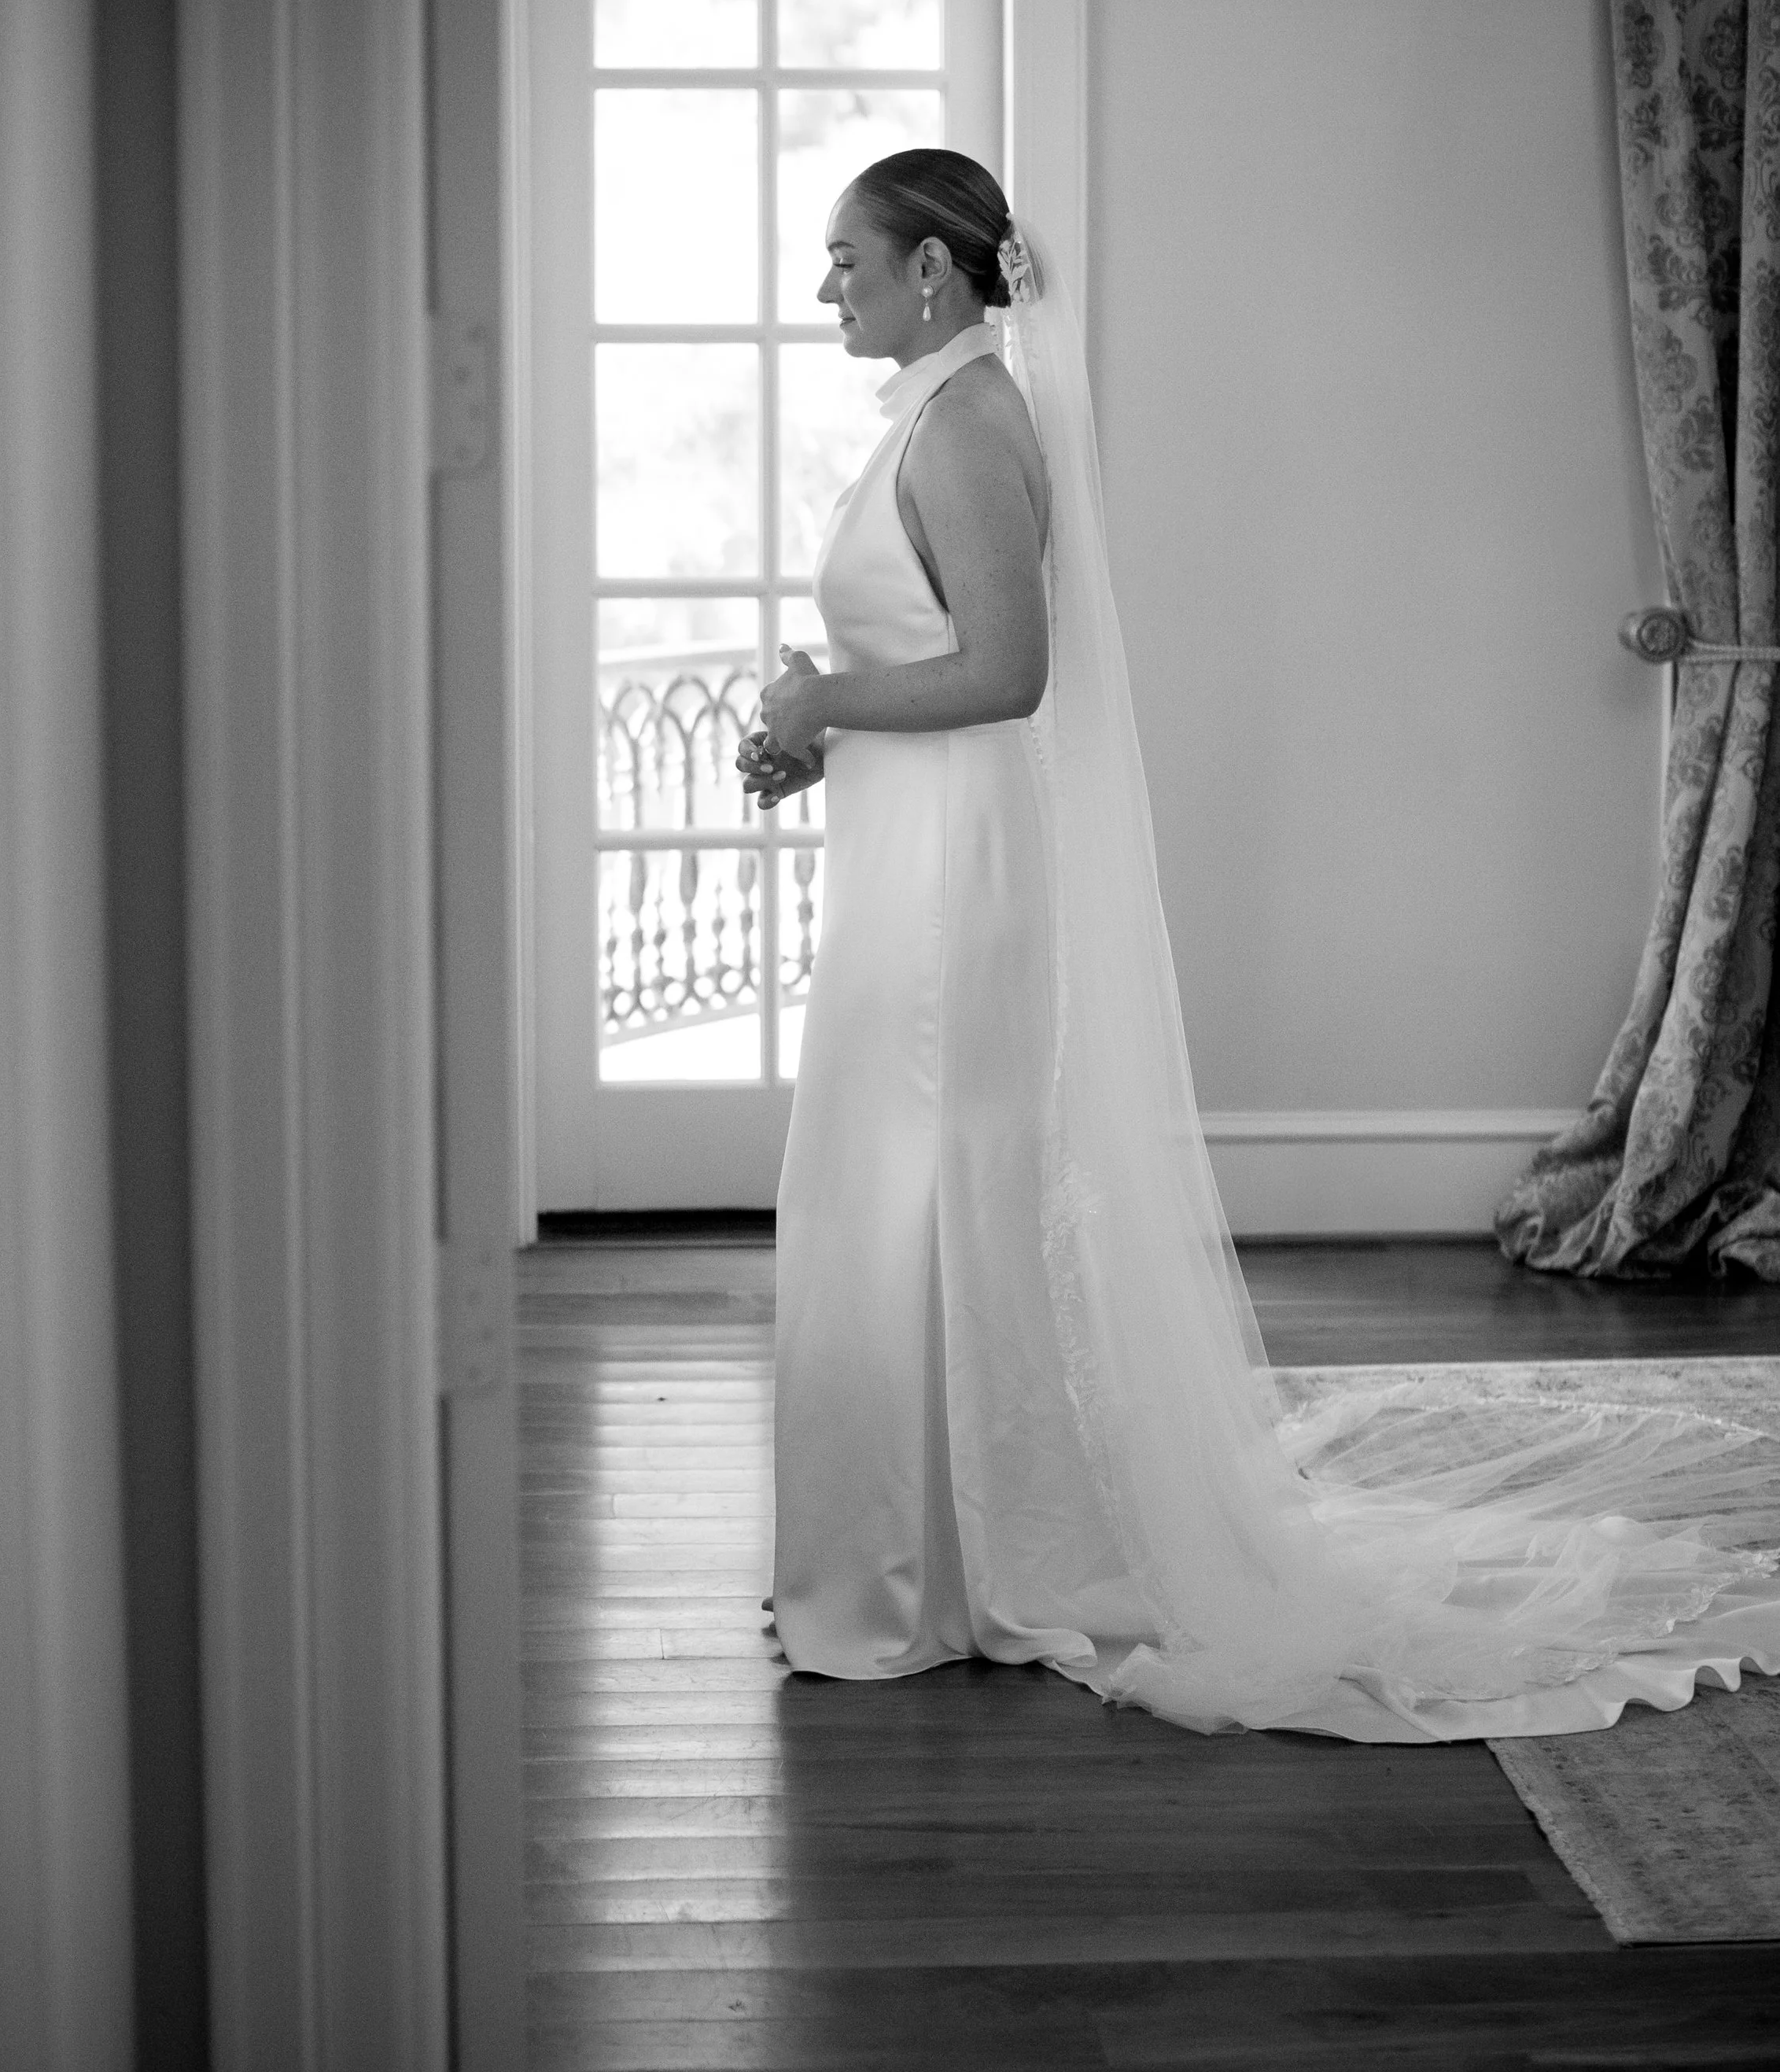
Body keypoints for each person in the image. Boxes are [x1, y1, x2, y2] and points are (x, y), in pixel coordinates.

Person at [736, 146, 1780, 1742]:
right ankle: (903, 1550)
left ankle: (939, 1566)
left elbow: (1007, 672)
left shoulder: (963, 426)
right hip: (913, 846)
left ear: (931, 272)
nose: (827, 287)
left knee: (929, 1184)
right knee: (900, 1191)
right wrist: (821, 734)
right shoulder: (933, 416)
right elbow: (936, 662)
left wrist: (823, 700)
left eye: (843, 258)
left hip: (957, 882)